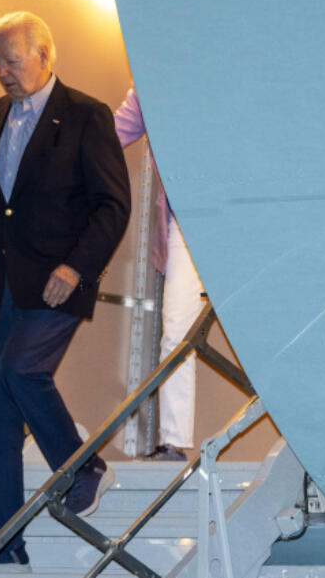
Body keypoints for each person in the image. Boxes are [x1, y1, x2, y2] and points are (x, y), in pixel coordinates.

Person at [0, 12, 131, 573]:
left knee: (22, 371)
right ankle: (4, 547)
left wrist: (77, 267)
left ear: (46, 55)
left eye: (11, 61)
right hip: (6, 284)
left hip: (59, 280)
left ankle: (84, 467)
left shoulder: (88, 116)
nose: (2, 72)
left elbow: (113, 205)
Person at [114, 87, 203, 462]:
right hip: (186, 223)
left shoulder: (232, 63)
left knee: (263, 331)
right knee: (177, 330)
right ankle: (174, 443)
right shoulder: (152, 83)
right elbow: (111, 134)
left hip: (239, 219)